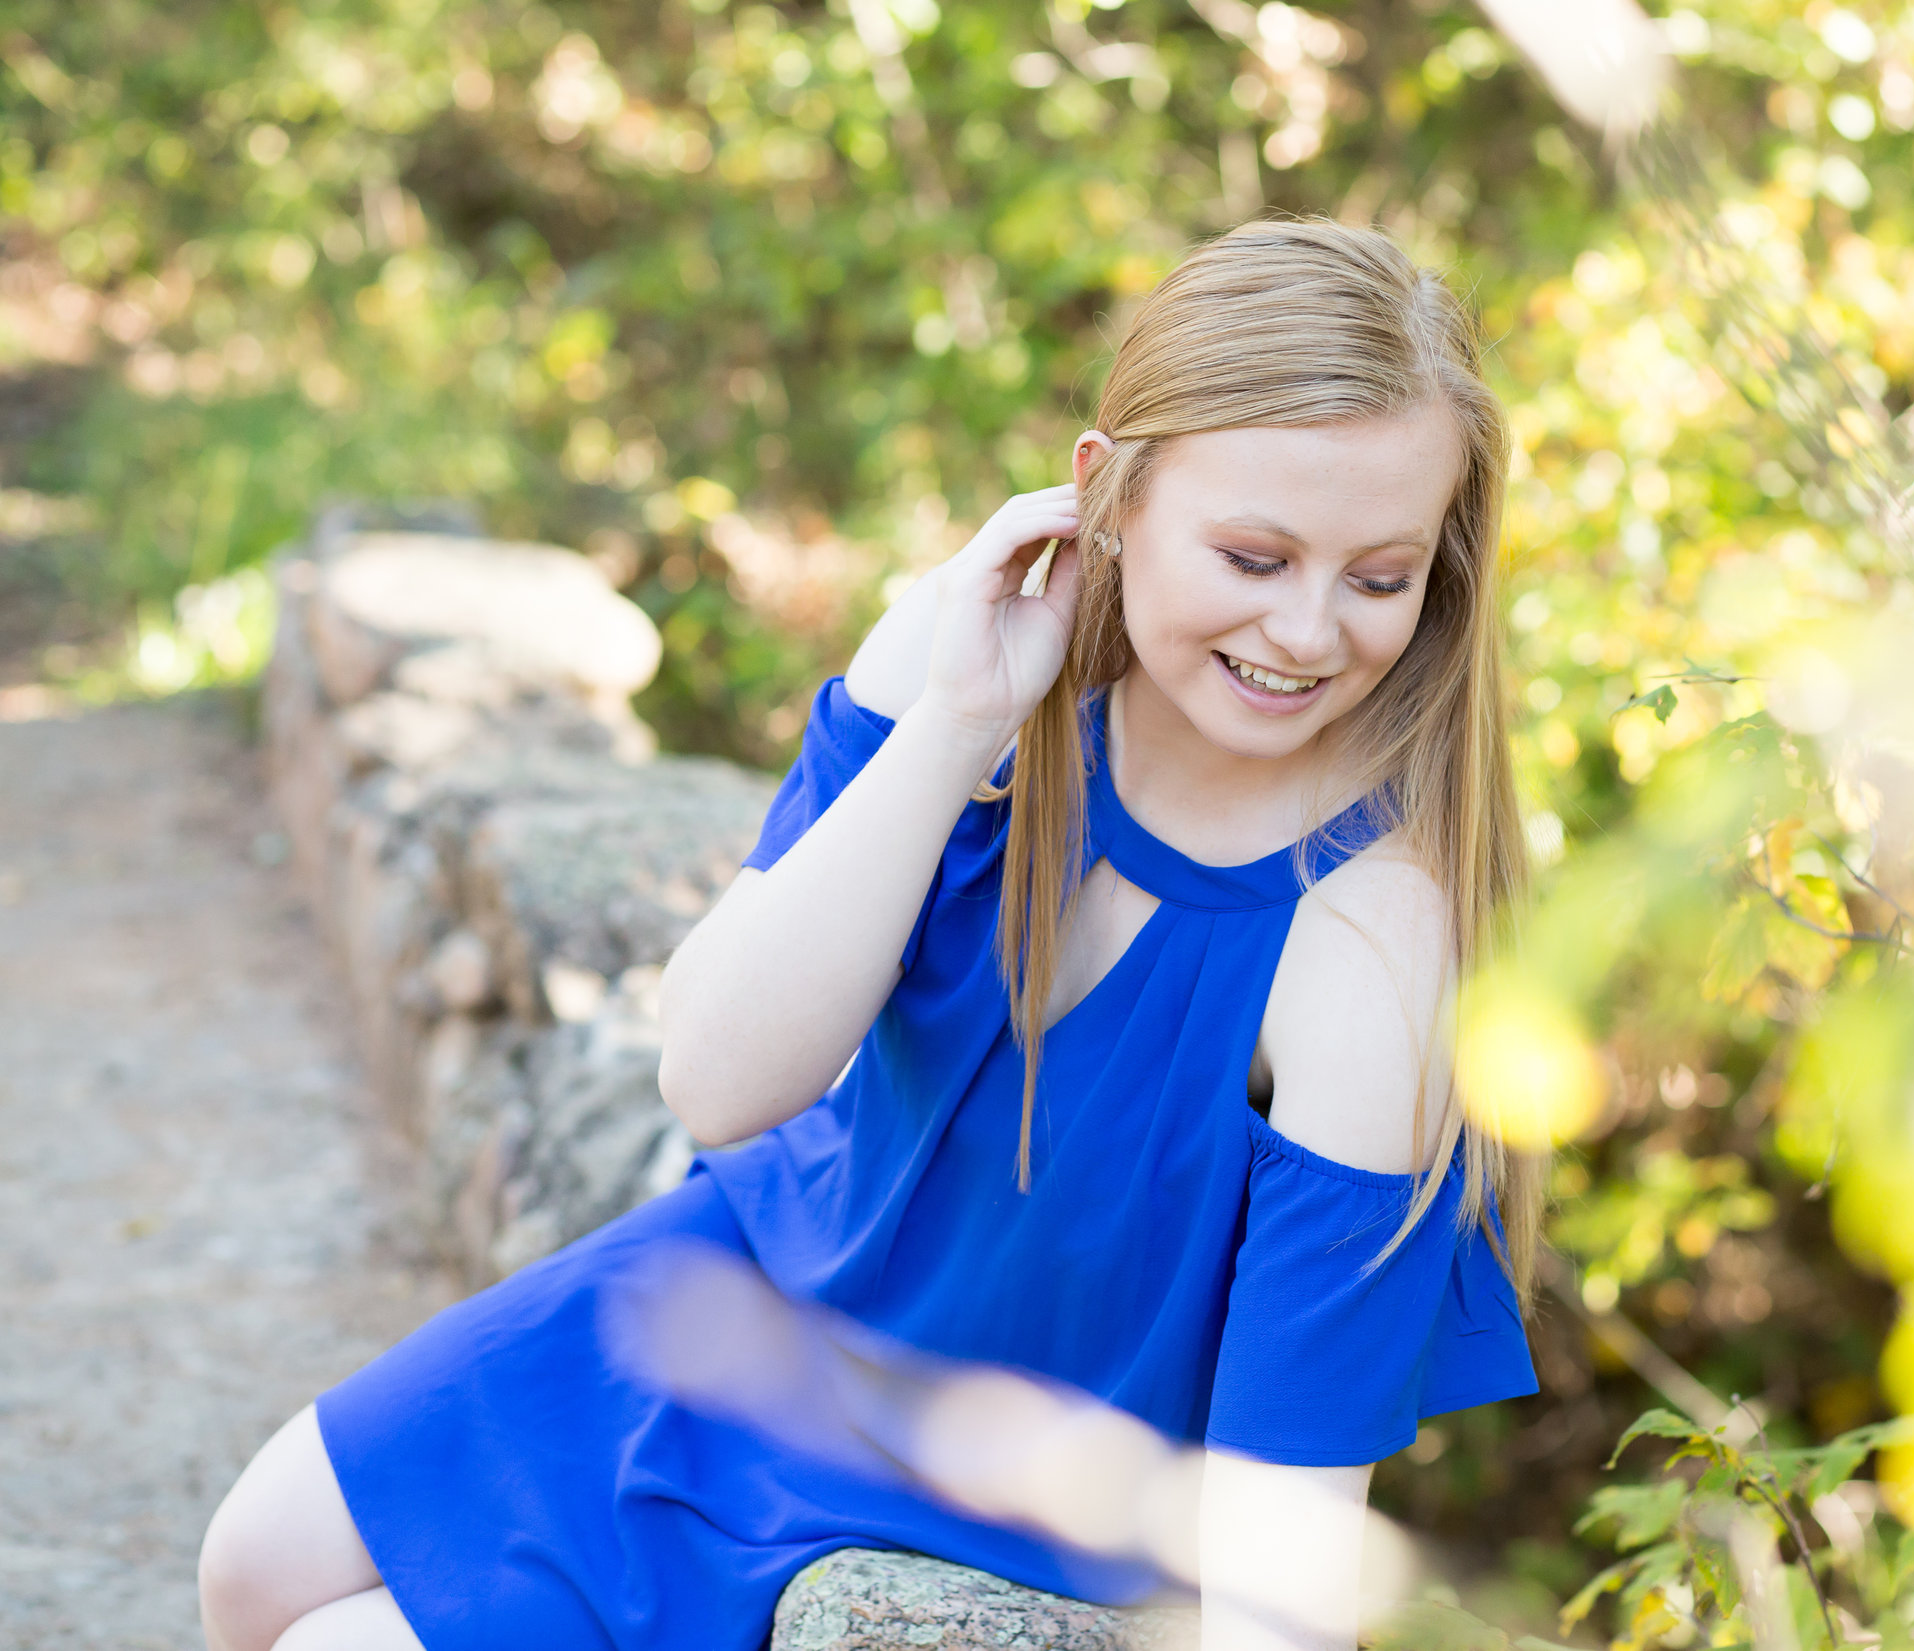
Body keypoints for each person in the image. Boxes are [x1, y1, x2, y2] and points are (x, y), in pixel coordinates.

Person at [197, 217, 1545, 1651]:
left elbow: (1289, 1529)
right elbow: (718, 1082)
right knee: (252, 1570)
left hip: (998, 1478)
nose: (1310, 630)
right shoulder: (966, 660)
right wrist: (962, 718)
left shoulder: (1373, 942)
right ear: (1113, 494)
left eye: (1380, 577)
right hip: (753, 1299)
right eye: (1254, 554)